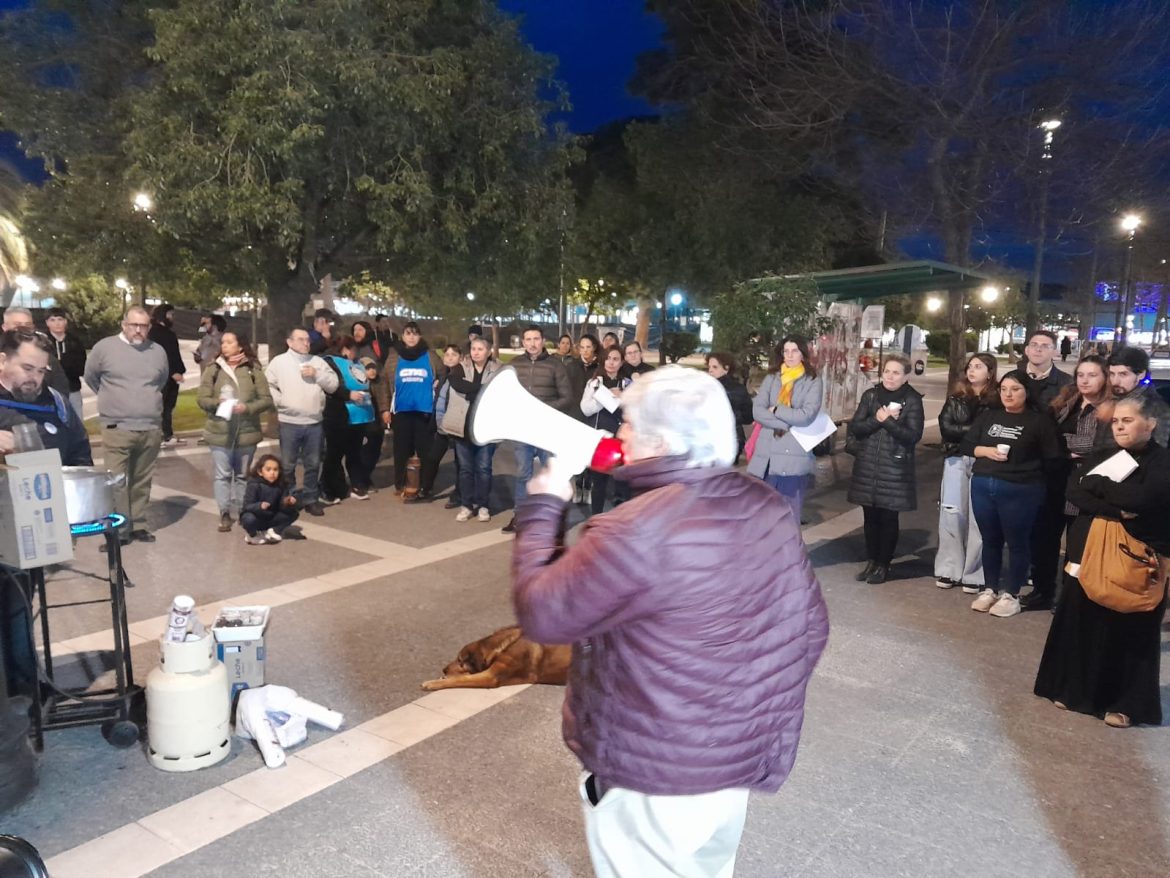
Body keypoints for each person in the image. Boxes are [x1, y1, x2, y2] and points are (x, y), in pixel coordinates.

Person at [511, 366, 829, 878]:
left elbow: (542, 614)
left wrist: (544, 506)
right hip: (732, 765)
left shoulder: (633, 530)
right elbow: (810, 630)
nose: (619, 433)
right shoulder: (766, 506)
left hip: (654, 776)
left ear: (661, 439)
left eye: (629, 423)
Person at [1034, 395, 1170, 728]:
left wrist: (1099, 485)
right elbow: (1074, 490)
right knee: (1083, 622)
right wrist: (1114, 508)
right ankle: (1075, 691)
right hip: (1090, 551)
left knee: (1130, 632)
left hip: (1138, 558)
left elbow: (1144, 498)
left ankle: (1125, 703)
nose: (1120, 427)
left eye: (1129, 421)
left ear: (1150, 424)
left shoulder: (1162, 462)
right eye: (1117, 422)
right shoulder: (1106, 455)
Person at [961, 371, 1064, 618]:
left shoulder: (1039, 422)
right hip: (984, 484)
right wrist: (985, 450)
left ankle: (1012, 593)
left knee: (1017, 542)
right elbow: (966, 445)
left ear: (1027, 392)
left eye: (1015, 389)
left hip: (1021, 489)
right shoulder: (989, 416)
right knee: (990, 539)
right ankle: (990, 589)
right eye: (1004, 389)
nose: (1008, 394)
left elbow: (1053, 458)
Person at [84, 306, 170, 544]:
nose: (139, 330)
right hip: (117, 427)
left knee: (142, 480)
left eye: (144, 326)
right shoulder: (105, 348)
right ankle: (118, 530)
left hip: (150, 427)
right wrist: (115, 400)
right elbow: (91, 377)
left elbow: (160, 381)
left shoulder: (157, 351)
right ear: (124, 324)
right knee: (116, 483)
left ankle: (138, 525)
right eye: (134, 325)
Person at [846, 353, 924, 584]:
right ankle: (871, 561)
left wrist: (889, 421)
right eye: (887, 371)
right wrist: (878, 420)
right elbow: (856, 428)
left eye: (896, 372)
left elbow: (912, 436)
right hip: (868, 465)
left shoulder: (912, 400)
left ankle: (883, 564)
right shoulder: (871, 395)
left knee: (889, 517)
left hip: (895, 467)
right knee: (870, 516)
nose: (890, 377)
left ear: (906, 376)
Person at [1018, 330, 1075, 612]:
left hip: (1053, 469)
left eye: (1045, 346)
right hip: (1020, 466)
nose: (1039, 350)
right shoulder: (1014, 378)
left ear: (1055, 351)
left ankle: (1051, 592)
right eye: (1034, 345)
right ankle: (1035, 584)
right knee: (1030, 532)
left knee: (1049, 532)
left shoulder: (1067, 385)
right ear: (1027, 349)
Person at [197, 331, 273, 533]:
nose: (225, 345)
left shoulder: (253, 369)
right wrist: (216, 403)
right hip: (220, 431)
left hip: (246, 431)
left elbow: (266, 399)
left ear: (240, 346)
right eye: (223, 342)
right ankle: (224, 512)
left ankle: (243, 510)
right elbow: (202, 398)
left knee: (242, 475)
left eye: (230, 342)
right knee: (222, 475)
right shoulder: (213, 369)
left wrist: (247, 408)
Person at [934, 353, 998, 592]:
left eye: (979, 367)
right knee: (952, 512)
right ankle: (949, 569)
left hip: (984, 461)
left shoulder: (996, 401)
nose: (972, 371)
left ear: (990, 372)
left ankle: (975, 572)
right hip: (955, 458)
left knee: (979, 517)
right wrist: (975, 432)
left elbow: (993, 431)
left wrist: (970, 434)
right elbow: (946, 428)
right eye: (970, 366)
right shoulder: (957, 398)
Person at [502, 325, 572, 533]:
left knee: (552, 474)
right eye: (528, 339)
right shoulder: (514, 365)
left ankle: (555, 518)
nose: (532, 343)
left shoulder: (555, 366)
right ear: (523, 342)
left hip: (548, 429)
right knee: (523, 473)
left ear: (543, 341)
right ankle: (520, 516)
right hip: (523, 428)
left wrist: (543, 410)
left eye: (536, 339)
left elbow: (567, 398)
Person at [747, 336, 824, 522]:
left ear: (804, 354)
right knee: (763, 517)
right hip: (765, 457)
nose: (789, 355)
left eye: (795, 351)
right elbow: (757, 411)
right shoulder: (772, 378)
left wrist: (776, 410)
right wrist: (787, 422)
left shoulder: (812, 380)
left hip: (792, 457)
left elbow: (806, 415)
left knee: (787, 517)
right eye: (786, 351)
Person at [265, 327, 339, 516]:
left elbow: (333, 385)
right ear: (289, 342)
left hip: (314, 421)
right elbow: (268, 385)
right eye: (301, 339)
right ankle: (289, 498)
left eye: (307, 340)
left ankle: (310, 498)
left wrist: (317, 375)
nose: (306, 343)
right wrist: (280, 401)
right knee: (288, 465)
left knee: (313, 463)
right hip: (289, 421)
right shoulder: (279, 362)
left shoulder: (317, 362)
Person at [0, 329, 92, 465]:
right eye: (27, 368)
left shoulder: (57, 402)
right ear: (2, 361)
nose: (35, 378)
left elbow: (80, 454)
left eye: (41, 371)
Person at [382, 321, 443, 498]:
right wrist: (385, 409)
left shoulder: (430, 356)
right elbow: (385, 384)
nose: (411, 337)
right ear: (402, 336)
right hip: (401, 410)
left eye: (415, 334)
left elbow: (443, 373)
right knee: (401, 449)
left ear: (420, 336)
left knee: (425, 450)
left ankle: (425, 485)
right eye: (408, 333)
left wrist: (438, 382)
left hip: (424, 410)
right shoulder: (394, 356)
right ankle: (401, 483)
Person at [449, 337, 502, 522]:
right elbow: (457, 384)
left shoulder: (498, 369)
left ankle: (483, 505)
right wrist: (481, 389)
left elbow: (498, 390)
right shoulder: (461, 366)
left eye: (480, 349)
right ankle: (466, 505)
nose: (476, 352)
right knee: (465, 469)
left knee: (484, 468)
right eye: (473, 348)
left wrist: (473, 391)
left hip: (486, 428)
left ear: (489, 351)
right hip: (462, 427)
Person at [321, 335, 376, 502]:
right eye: (354, 349)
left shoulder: (357, 363)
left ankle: (356, 484)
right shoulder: (329, 362)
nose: (355, 353)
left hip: (359, 415)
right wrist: (348, 395)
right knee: (334, 454)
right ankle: (329, 488)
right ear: (345, 348)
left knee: (354, 452)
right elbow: (330, 386)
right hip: (339, 413)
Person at [579, 346, 631, 515]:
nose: (611, 362)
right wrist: (605, 397)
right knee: (599, 483)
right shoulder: (594, 383)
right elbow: (585, 409)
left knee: (621, 483)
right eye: (608, 358)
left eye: (616, 359)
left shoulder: (627, 384)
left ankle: (620, 520)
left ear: (621, 362)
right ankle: (596, 519)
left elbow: (634, 410)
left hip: (621, 440)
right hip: (600, 440)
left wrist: (622, 397)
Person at [418, 344, 463, 505]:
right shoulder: (444, 377)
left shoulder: (462, 376)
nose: (450, 357)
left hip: (456, 427)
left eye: (454, 354)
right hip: (441, 426)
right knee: (432, 458)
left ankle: (459, 494)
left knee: (461, 463)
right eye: (447, 355)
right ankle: (426, 489)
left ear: (461, 357)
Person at [1106, 346, 1170, 447]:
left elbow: (1157, 451)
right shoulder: (1111, 399)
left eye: (1123, 374)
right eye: (1112, 374)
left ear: (1141, 374)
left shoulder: (1154, 407)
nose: (1115, 381)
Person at [3, 307, 70, 398]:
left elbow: (61, 387)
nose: (22, 329)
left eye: (27, 325)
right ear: (4, 327)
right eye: (17, 324)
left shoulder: (46, 357)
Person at [147, 303, 187, 448]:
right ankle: (165, 435)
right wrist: (173, 372)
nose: (173, 317)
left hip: (169, 377)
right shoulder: (159, 334)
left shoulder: (160, 333)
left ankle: (167, 434)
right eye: (170, 314)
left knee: (168, 407)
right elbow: (165, 356)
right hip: (164, 378)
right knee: (163, 407)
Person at [240, 454, 301, 545]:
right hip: (257, 517)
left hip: (271, 517)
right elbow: (247, 506)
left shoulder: (281, 485)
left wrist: (287, 502)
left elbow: (281, 507)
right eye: (268, 470)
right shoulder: (254, 485)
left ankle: (273, 531)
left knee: (294, 513)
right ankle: (252, 535)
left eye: (275, 470)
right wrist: (259, 506)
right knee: (248, 518)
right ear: (260, 472)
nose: (272, 473)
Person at [706, 352, 753, 462]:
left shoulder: (707, 389)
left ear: (726, 368)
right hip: (734, 440)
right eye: (709, 367)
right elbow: (748, 417)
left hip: (716, 440)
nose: (710, 370)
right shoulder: (740, 388)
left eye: (715, 367)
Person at [43, 308, 87, 422]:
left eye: (60, 319)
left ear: (65, 321)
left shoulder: (75, 341)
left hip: (73, 389)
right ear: (47, 323)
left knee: (76, 421)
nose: (57, 323)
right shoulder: (42, 342)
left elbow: (82, 364)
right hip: (50, 391)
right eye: (52, 320)